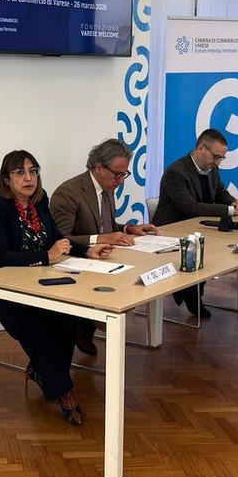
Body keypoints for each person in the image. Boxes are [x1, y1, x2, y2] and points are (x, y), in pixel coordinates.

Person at [0, 150, 113, 426]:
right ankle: (65, 392)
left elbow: (56, 237)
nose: (28, 178)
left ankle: (41, 371)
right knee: (34, 324)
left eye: (33, 171)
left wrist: (87, 251)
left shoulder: (40, 200)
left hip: (34, 282)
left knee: (67, 314)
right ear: (6, 179)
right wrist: (46, 256)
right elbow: (0, 256)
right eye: (20, 172)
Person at [50, 138, 159, 356]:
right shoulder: (68, 193)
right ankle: (83, 323)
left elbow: (105, 225)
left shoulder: (107, 187)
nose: (121, 181)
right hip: (74, 262)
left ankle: (88, 325)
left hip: (103, 257)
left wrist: (129, 228)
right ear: (99, 167)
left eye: (124, 175)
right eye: (117, 174)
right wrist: (101, 239)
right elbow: (60, 238)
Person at [152, 128, 238, 319]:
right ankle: (191, 293)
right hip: (171, 230)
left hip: (198, 228)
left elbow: (220, 194)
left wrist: (237, 203)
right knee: (203, 250)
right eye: (216, 157)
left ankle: (193, 292)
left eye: (221, 158)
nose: (218, 163)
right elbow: (191, 208)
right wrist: (231, 211)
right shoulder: (176, 173)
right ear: (201, 148)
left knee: (214, 251)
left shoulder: (212, 169)